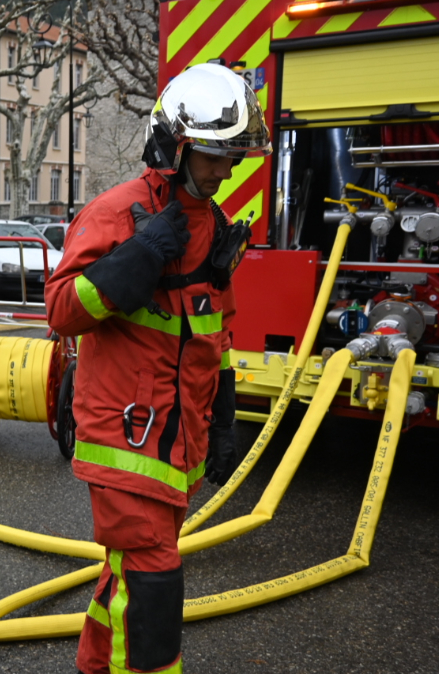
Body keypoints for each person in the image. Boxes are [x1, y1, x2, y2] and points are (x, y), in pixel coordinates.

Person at [45, 62, 271, 674]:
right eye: (214, 157)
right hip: (126, 440)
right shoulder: (118, 213)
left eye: (234, 157)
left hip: (179, 443)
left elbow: (215, 331)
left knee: (125, 579)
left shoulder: (215, 225)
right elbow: (63, 311)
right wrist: (137, 259)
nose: (226, 172)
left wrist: (223, 417)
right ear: (173, 148)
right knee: (152, 593)